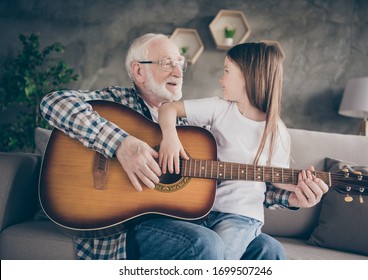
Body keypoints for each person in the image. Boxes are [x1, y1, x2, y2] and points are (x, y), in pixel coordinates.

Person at [40, 33, 327, 260]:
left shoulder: (196, 127)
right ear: (139, 72)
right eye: (167, 62)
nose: (178, 70)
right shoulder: (116, 102)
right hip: (127, 224)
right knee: (206, 244)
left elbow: (235, 189)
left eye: (181, 62)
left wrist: (292, 199)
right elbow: (53, 103)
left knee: (269, 250)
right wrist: (121, 145)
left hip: (188, 221)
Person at [157, 41, 329, 259]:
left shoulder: (276, 131)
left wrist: (301, 185)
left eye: (227, 71)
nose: (221, 79)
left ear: (248, 76)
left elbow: (277, 178)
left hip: (240, 216)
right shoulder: (219, 107)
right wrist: (170, 138)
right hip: (200, 208)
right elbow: (169, 108)